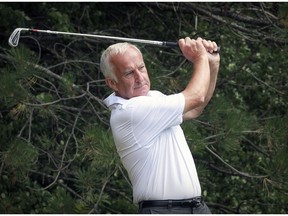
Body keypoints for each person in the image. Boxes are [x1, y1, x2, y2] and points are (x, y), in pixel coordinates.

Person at [100, 37, 220, 214]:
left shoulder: (154, 97)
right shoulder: (130, 110)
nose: (140, 78)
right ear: (112, 83)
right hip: (163, 211)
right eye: (129, 73)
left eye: (141, 68)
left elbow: (194, 109)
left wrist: (212, 64)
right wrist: (200, 57)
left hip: (198, 209)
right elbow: (196, 97)